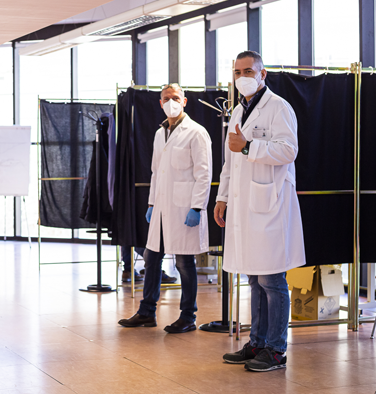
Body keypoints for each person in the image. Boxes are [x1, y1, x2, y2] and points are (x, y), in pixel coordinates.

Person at [216, 51, 305, 372]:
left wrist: (251, 147)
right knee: (254, 278)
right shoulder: (239, 109)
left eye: (248, 70)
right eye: (237, 71)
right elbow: (230, 160)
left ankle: (277, 349)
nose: (243, 76)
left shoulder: (279, 107)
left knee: (272, 281)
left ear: (263, 73)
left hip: (270, 206)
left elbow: (288, 150)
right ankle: (257, 342)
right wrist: (222, 197)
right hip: (244, 207)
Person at [119, 83, 212, 333]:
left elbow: (204, 174)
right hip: (160, 208)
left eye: (176, 97)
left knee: (184, 262)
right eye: (166, 98)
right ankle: (147, 311)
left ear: (184, 101)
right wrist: (151, 203)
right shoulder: (160, 133)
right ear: (160, 103)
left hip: (184, 209)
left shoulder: (197, 132)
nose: (171, 101)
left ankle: (188, 316)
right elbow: (156, 172)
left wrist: (197, 207)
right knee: (152, 258)